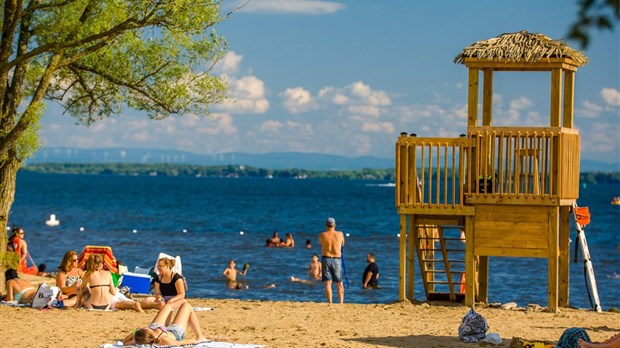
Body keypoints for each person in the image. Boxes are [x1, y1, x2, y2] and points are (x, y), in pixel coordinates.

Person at [122, 302, 211, 346]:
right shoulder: (165, 340)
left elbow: (124, 342)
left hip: (157, 328)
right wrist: (197, 341)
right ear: (147, 330)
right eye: (144, 328)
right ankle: (200, 335)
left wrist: (135, 332)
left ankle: (174, 315)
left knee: (167, 306)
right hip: (175, 332)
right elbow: (181, 343)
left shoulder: (138, 340)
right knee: (186, 305)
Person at [318, 217, 345, 304]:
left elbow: (321, 243)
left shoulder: (322, 235)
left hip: (326, 258)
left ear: (326, 225)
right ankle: (341, 303)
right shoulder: (340, 234)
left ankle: (330, 302)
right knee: (339, 282)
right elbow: (343, 243)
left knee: (328, 283)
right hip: (336, 259)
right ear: (335, 225)